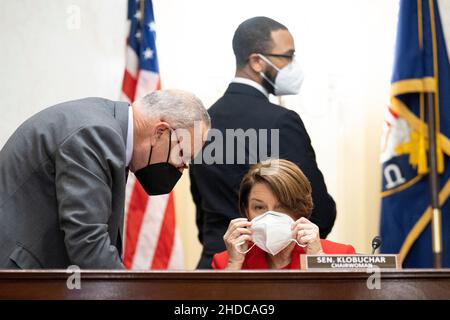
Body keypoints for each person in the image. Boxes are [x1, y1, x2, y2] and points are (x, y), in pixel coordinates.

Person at [0, 90, 210, 269]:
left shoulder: (105, 128)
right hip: (16, 277)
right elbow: (88, 243)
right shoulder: (97, 134)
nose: (182, 167)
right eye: (182, 155)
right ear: (160, 132)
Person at [190, 16, 336, 269]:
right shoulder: (282, 121)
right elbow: (318, 208)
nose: (292, 65)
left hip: (215, 265)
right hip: (266, 269)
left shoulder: (202, 122)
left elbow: (203, 210)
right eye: (287, 56)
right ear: (257, 61)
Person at [212, 159, 355, 270]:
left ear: (301, 210)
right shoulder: (225, 262)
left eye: (281, 207)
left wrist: (318, 261)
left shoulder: (341, 255)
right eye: (259, 207)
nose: (270, 217)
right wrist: (234, 265)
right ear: (246, 211)